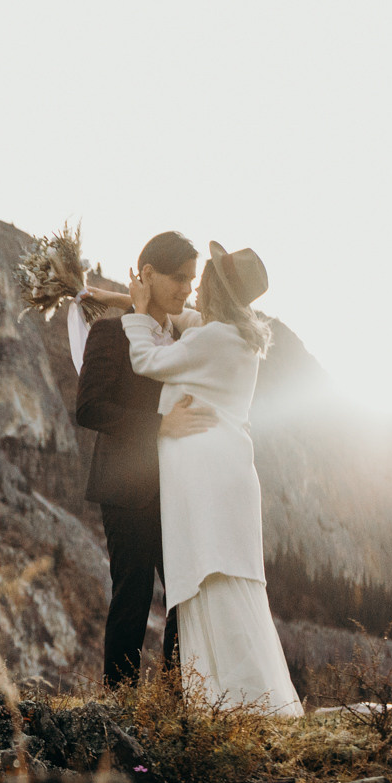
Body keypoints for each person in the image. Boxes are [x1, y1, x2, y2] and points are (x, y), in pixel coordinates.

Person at [122, 241, 303, 714]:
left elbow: (147, 361)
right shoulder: (234, 336)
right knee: (224, 582)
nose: (195, 288)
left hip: (205, 480)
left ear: (217, 291)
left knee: (208, 580)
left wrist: (137, 315)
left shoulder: (213, 338)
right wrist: (126, 297)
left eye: (203, 281)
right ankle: (240, 699)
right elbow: (183, 320)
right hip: (228, 474)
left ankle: (230, 701)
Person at [72, 231, 216, 684]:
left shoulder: (186, 335)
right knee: (132, 597)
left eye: (191, 280)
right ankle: (121, 702)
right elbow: (89, 408)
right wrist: (158, 425)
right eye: (179, 278)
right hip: (126, 489)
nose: (187, 289)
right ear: (149, 274)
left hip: (177, 487)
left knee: (186, 596)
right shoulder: (109, 333)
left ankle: (173, 697)